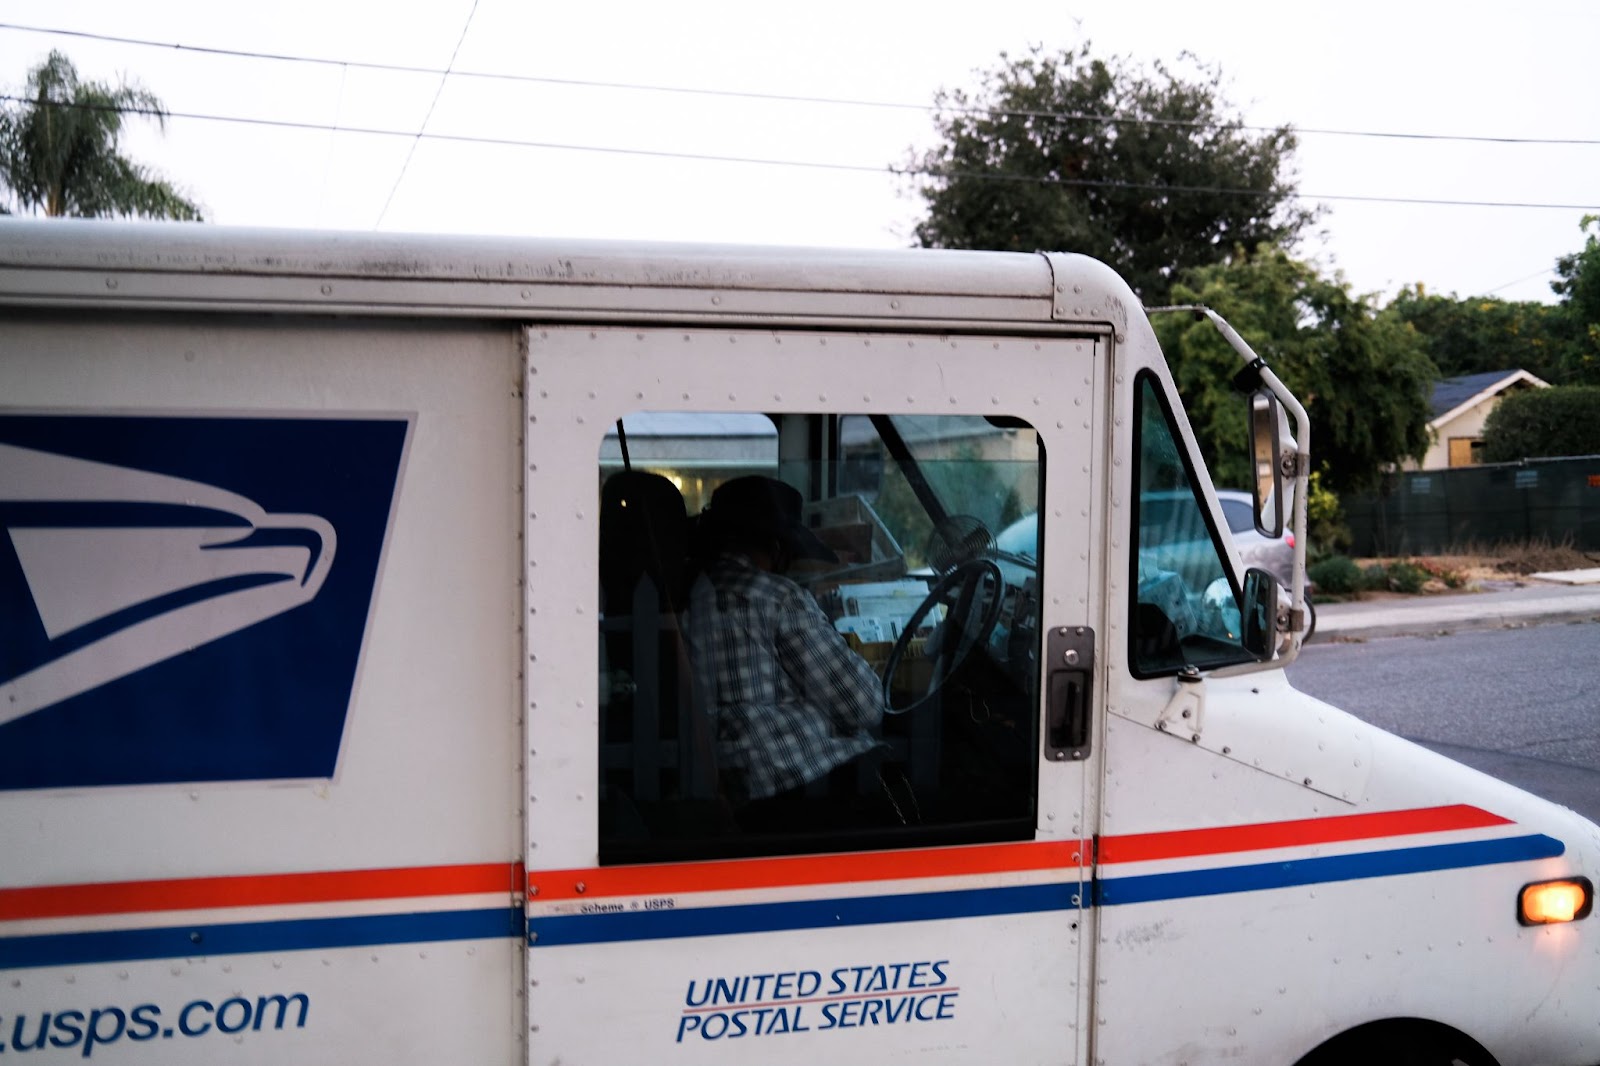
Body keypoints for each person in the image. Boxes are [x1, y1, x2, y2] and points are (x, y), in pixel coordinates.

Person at [686, 475, 908, 833]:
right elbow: (862, 706)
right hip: (808, 781)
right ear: (777, 547)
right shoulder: (775, 596)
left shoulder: (692, 592)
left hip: (749, 787)